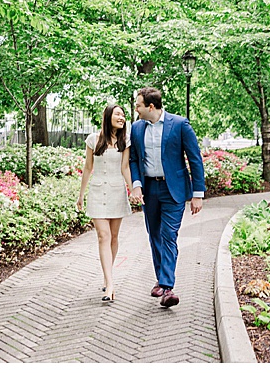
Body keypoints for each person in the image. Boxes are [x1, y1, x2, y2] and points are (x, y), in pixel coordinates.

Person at [129, 84, 207, 308]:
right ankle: (161, 281)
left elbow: (195, 158)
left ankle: (167, 287)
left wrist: (197, 194)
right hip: (149, 190)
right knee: (154, 235)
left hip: (173, 190)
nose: (136, 109)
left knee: (168, 234)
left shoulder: (180, 125)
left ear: (150, 106)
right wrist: (136, 185)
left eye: (138, 105)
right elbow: (134, 159)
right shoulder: (136, 128)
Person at [79, 101, 134, 303]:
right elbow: (87, 168)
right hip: (96, 192)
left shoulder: (125, 141)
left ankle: (107, 275)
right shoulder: (93, 140)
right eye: (118, 114)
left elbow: (125, 168)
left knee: (113, 237)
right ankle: (110, 285)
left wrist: (133, 189)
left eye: (123, 116)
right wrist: (81, 194)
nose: (121, 118)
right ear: (108, 116)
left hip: (117, 191)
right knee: (103, 235)